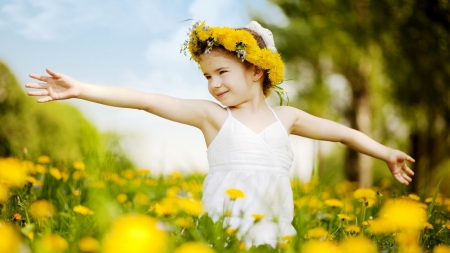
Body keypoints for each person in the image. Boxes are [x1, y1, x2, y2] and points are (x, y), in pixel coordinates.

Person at [25, 21, 415, 248]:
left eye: (221, 73)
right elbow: (145, 99)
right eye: (207, 76)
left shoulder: (288, 118)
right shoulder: (212, 117)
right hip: (222, 234)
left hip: (277, 236)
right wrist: (82, 89)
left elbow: (343, 133)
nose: (213, 84)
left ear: (256, 71)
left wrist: (385, 153)